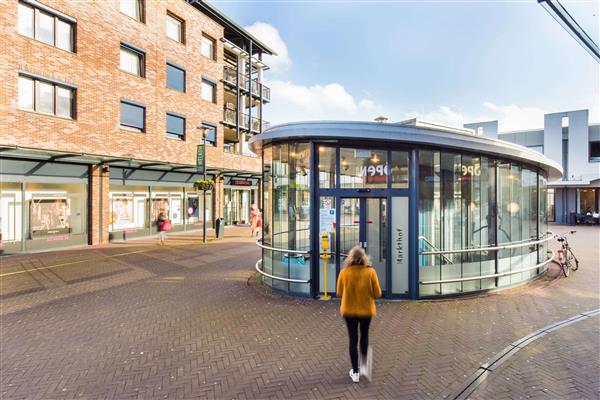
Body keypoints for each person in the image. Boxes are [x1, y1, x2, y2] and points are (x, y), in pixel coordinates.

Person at [336, 245, 382, 383]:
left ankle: (355, 373)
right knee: (364, 335)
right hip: (366, 310)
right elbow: (378, 293)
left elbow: (339, 292)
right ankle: (363, 367)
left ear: (350, 258)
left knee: (353, 340)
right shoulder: (370, 272)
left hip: (349, 311)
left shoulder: (344, 273)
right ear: (364, 258)